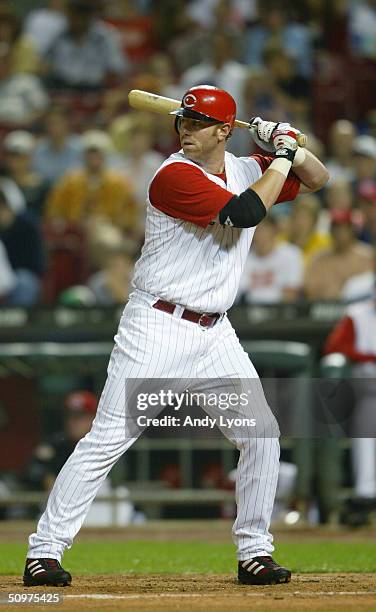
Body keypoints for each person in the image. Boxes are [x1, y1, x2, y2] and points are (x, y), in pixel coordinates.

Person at [23, 85, 329, 587]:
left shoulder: (249, 167)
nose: (184, 130)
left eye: (195, 123)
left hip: (216, 333)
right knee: (107, 440)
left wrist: (291, 144)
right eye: (182, 122)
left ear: (223, 131)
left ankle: (254, 550)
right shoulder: (172, 176)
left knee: (262, 436)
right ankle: (44, 551)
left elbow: (318, 178)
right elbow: (246, 212)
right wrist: (283, 155)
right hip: (157, 326)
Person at [45, 129, 137, 234]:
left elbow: (130, 212)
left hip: (108, 230)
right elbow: (55, 209)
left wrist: (114, 223)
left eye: (97, 154)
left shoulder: (118, 183)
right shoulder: (70, 181)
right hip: (74, 229)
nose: (94, 158)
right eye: (90, 154)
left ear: (104, 155)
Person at [238, 215, 304, 304]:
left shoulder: (290, 254)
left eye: (263, 229)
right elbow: (238, 294)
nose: (259, 234)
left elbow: (292, 292)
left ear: (274, 230)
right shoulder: (243, 257)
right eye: (256, 230)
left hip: (280, 310)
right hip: (247, 310)